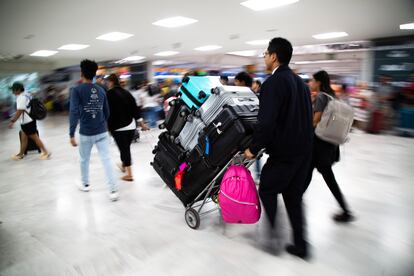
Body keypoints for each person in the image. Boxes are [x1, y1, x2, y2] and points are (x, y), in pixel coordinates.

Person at [244, 37, 313, 259]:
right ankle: (300, 245)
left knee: (267, 189)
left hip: (285, 152)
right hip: (304, 151)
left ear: (274, 56)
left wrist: (253, 149)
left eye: (265, 53)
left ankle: (272, 239)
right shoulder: (300, 83)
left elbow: (266, 122)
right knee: (293, 197)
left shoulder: (273, 83)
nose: (264, 57)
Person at [304, 70, 355, 222]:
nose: (310, 83)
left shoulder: (321, 96)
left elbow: (316, 120)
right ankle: (295, 198)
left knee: (325, 176)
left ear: (318, 82)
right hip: (330, 144)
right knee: (308, 171)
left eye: (312, 80)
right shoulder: (332, 96)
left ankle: (346, 210)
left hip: (319, 143)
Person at [69, 59, 119, 201]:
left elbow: (73, 113)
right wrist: (102, 123)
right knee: (106, 159)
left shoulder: (76, 90)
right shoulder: (101, 90)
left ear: (81, 73)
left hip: (86, 132)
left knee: (84, 159)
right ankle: (113, 191)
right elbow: (107, 112)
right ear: (94, 73)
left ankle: (85, 184)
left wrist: (71, 133)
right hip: (102, 131)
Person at [106, 74, 149, 181]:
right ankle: (123, 165)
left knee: (124, 149)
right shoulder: (126, 92)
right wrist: (142, 123)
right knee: (125, 148)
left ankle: (129, 174)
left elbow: (106, 112)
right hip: (131, 126)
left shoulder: (108, 94)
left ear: (111, 82)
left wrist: (107, 127)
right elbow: (135, 109)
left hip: (118, 127)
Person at [8, 82, 51, 160]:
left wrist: (12, 121)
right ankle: (21, 154)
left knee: (34, 137)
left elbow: (20, 110)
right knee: (23, 137)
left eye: (13, 90)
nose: (12, 92)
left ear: (18, 90)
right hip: (29, 119)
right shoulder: (27, 94)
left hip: (27, 121)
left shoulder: (21, 97)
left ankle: (46, 152)